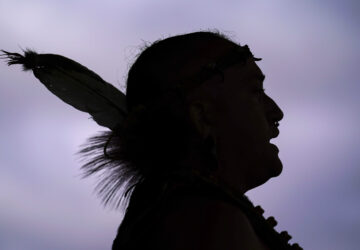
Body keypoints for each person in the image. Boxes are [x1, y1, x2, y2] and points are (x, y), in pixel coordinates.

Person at [1, 30, 302, 249]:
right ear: (201, 117)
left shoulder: (183, 213)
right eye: (255, 92)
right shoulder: (202, 222)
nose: (276, 112)